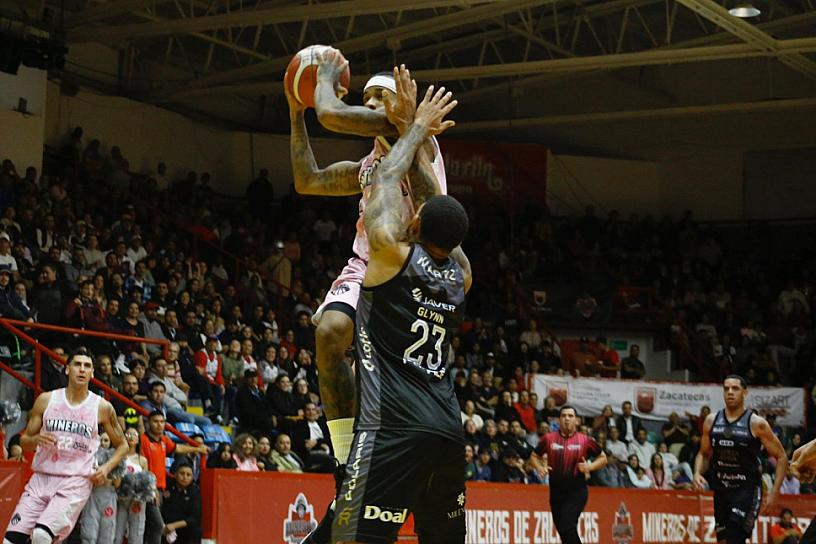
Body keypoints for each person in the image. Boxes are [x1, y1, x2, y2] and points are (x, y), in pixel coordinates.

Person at [316, 81, 469, 544]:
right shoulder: (461, 278)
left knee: (349, 535)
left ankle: (344, 460)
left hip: (393, 427)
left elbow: (384, 181)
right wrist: (416, 134)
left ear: (415, 222)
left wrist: (415, 128)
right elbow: (429, 206)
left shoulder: (386, 257)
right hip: (446, 427)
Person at [288, 55, 449, 489]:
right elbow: (307, 180)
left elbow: (333, 114)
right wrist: (294, 112)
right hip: (367, 265)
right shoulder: (367, 168)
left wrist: (321, 77)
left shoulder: (418, 139)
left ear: (404, 105)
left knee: (401, 390)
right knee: (329, 331)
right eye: (368, 97)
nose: (374, 103)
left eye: (382, 95)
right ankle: (344, 456)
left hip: (414, 273)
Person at [4, 347, 128, 544]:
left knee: (41, 536)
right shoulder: (46, 400)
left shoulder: (102, 407)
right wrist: (34, 441)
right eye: (77, 364)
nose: (82, 369)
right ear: (67, 369)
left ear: (92, 373)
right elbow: (25, 441)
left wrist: (106, 467)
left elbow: (123, 446)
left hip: (75, 481)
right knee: (10, 541)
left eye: (87, 366)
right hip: (41, 478)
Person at [693, 375, 788, 544]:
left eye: (735, 388)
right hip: (721, 489)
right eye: (726, 388)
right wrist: (696, 473)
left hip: (747, 490)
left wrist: (774, 492)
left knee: (734, 538)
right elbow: (703, 453)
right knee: (723, 541)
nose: (730, 392)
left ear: (745, 392)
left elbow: (781, 457)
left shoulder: (757, 423)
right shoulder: (711, 421)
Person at [530, 406, 607, 544]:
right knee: (563, 532)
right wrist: (539, 467)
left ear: (576, 420)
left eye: (570, 416)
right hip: (556, 491)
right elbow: (534, 456)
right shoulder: (548, 439)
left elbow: (603, 458)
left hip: (577, 490)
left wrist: (590, 466)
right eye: (564, 416)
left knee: (567, 526)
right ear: (559, 420)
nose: (567, 419)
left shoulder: (585, 440)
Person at [140, 411, 208, 544]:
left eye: (162, 422)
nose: (159, 425)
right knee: (157, 525)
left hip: (160, 489)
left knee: (152, 526)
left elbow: (178, 448)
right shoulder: (143, 440)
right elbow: (141, 465)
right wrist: (151, 488)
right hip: (148, 489)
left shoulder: (164, 440)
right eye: (155, 421)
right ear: (148, 423)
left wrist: (197, 449)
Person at [114, 427, 150, 544]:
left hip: (137, 500)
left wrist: (140, 498)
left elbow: (146, 482)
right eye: (128, 434)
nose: (131, 436)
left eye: (134, 434)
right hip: (120, 498)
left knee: (136, 534)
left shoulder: (143, 460)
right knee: (116, 533)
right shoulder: (118, 456)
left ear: (138, 439)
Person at [160, 462, 201, 544]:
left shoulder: (194, 491)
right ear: (175, 474)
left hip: (185, 531)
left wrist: (174, 525)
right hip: (165, 529)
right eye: (182, 473)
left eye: (188, 475)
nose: (185, 477)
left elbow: (194, 518)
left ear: (192, 477)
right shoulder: (168, 486)